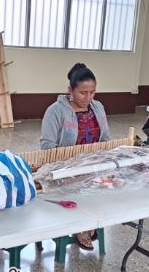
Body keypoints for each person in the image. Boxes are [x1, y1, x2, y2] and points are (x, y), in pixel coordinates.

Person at [40, 63, 110, 250]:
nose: (88, 98)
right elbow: (47, 146)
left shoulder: (98, 107)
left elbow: (105, 139)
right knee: (80, 185)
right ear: (70, 90)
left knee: (109, 185)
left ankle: (91, 220)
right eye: (83, 93)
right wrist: (73, 163)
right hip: (64, 170)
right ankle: (82, 225)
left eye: (92, 92)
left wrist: (100, 160)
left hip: (93, 165)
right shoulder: (56, 111)